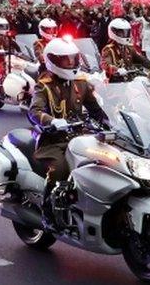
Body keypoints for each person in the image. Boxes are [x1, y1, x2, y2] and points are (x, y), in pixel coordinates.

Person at [30, 38, 108, 224]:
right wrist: (52, 121)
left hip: (80, 137)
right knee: (60, 169)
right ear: (53, 61)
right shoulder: (44, 85)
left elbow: (95, 109)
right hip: (53, 141)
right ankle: (48, 211)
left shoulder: (80, 82)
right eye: (66, 60)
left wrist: (111, 122)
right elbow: (35, 111)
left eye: (73, 59)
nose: (71, 63)